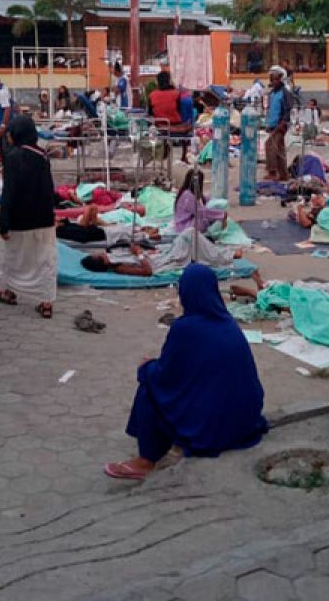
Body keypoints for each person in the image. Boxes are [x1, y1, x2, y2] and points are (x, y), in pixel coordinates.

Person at [105, 263, 267, 480]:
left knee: (148, 385)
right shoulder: (228, 322)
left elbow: (164, 377)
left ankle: (146, 460)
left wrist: (146, 367)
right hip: (246, 421)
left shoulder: (185, 328)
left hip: (215, 429)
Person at [0, 116, 57, 317]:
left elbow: (9, 192)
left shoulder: (12, 156)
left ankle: (10, 292)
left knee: (15, 258)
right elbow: (49, 188)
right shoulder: (42, 155)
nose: (9, 136)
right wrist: (52, 214)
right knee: (44, 259)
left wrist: (3, 223)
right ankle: (46, 303)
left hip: (19, 218)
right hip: (44, 218)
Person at [81, 228, 242, 277]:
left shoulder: (115, 255)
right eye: (98, 256)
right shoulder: (119, 267)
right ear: (101, 262)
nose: (101, 253)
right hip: (164, 261)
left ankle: (223, 254)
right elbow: (147, 271)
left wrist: (140, 249)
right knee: (190, 234)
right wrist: (138, 254)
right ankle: (225, 257)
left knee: (192, 239)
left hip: (159, 254)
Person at [174, 168, 227, 234]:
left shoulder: (191, 193)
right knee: (205, 219)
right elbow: (200, 211)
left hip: (188, 223)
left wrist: (215, 205)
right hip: (184, 227)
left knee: (212, 210)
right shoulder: (187, 195)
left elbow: (206, 199)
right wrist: (220, 214)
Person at [264, 67, 292, 181]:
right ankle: (284, 174)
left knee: (269, 145)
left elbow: (288, 109)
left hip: (280, 125)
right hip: (273, 124)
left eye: (275, 79)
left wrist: (283, 122)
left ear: (281, 79)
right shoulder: (272, 93)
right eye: (272, 79)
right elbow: (271, 109)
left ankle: (273, 172)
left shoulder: (285, 92)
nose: (273, 81)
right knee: (279, 149)